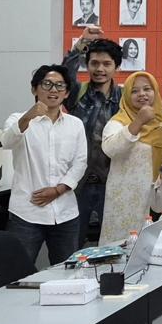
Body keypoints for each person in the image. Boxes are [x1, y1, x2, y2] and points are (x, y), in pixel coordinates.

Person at [1, 65, 87, 263]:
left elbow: (80, 163)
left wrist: (58, 190)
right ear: (34, 89)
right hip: (27, 212)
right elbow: (6, 142)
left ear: (66, 93)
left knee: (67, 270)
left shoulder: (75, 124)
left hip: (65, 212)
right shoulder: (17, 119)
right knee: (18, 269)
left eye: (60, 85)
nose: (53, 90)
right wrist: (28, 116)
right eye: (47, 84)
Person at [101, 72, 162, 243]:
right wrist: (138, 122)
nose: (142, 94)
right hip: (125, 200)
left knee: (157, 247)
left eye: (147, 89)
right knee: (121, 248)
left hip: (159, 196)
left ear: (155, 91)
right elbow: (110, 149)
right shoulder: (118, 122)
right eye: (134, 91)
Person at [61, 31, 123, 247]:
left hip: (113, 182)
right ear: (86, 65)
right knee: (72, 245)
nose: (100, 69)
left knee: (113, 245)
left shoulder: (125, 98)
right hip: (79, 183)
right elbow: (64, 74)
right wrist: (80, 44)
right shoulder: (76, 94)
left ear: (117, 67)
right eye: (94, 63)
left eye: (107, 64)